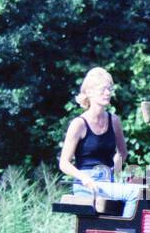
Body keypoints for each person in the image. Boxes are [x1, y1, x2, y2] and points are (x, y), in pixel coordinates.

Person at [58, 67, 142, 218]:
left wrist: (114, 172)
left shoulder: (114, 121)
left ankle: (116, 231)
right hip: (87, 184)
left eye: (109, 89)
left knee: (144, 190)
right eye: (103, 89)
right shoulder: (79, 124)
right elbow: (64, 163)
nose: (108, 93)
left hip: (107, 182)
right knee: (135, 193)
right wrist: (85, 178)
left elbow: (122, 153)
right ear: (89, 92)